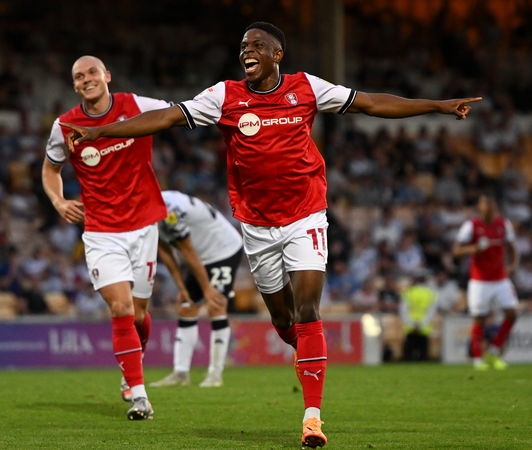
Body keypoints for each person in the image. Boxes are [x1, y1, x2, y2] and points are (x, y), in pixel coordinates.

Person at [59, 22, 480, 447]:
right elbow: (167, 117)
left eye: (258, 44)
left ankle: (312, 418)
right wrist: (102, 130)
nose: (248, 50)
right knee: (283, 323)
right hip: (257, 226)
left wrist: (439, 106)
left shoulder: (307, 88)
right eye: (243, 45)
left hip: (306, 216)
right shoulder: (224, 96)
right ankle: (310, 357)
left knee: (307, 310)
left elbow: (370, 103)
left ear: (277, 54)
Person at [42, 55, 171, 420]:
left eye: (92, 73)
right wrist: (58, 199)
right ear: (75, 85)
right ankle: (139, 394)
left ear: (107, 76)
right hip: (101, 231)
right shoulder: (65, 125)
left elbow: (177, 114)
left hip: (145, 225)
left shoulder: (138, 106)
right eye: (79, 77)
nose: (86, 80)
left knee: (140, 313)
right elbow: (50, 168)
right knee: (121, 308)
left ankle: (135, 361)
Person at [149, 190, 243, 388]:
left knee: (215, 305)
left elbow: (187, 249)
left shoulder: (169, 211)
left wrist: (207, 289)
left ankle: (215, 375)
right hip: (202, 255)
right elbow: (163, 249)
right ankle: (181, 373)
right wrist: (181, 286)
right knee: (186, 306)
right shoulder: (149, 208)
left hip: (223, 250)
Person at [453, 193, 519, 370]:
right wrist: (473, 248)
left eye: (491, 204)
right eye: (484, 204)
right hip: (479, 280)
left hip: (500, 278)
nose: (488, 208)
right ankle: (478, 359)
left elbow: (512, 248)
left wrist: (512, 265)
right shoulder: (471, 226)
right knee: (479, 318)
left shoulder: (504, 225)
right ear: (479, 207)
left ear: (495, 207)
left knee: (512, 313)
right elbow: (456, 250)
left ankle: (495, 351)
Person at [399, 271, 438, 361]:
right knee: (423, 354)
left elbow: (403, 310)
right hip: (424, 327)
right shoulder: (430, 294)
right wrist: (422, 323)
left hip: (410, 327)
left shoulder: (408, 292)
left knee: (409, 354)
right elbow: (431, 311)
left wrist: (412, 324)